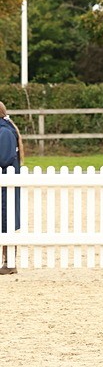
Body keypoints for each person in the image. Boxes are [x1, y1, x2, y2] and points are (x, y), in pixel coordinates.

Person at [0, 101, 22, 275]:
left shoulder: (5, 132)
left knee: (6, 221)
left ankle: (9, 262)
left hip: (6, 185)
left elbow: (5, 159)